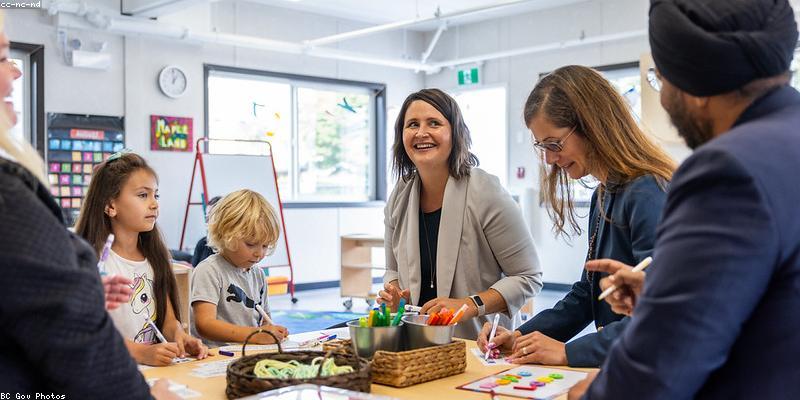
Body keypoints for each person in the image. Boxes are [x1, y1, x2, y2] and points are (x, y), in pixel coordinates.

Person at [569, 0, 800, 398]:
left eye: (661, 80)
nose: (662, 99)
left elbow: (656, 372)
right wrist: (671, 295)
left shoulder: (728, 169)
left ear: (693, 87)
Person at [0, 12, 176, 398]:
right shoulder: (8, 199)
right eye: (1, 58)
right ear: (109, 205)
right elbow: (77, 349)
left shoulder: (156, 256)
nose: (16, 72)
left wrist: (85, 294)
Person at [476, 65, 676, 367]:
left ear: (593, 126)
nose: (549, 159)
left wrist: (569, 353)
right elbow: (588, 294)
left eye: (554, 144)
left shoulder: (646, 193)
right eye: (542, 147)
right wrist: (521, 337)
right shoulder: (603, 195)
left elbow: (663, 313)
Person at [378, 88, 543, 339]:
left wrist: (469, 304)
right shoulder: (399, 195)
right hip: (415, 343)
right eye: (412, 124)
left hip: (476, 345)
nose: (421, 132)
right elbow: (392, 271)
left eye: (434, 123)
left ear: (455, 133)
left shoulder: (486, 191)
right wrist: (394, 293)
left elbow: (527, 277)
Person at [75, 152, 209, 366]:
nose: (154, 204)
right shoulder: (91, 260)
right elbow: (85, 328)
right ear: (110, 205)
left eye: (156, 195)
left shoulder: (156, 256)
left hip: (151, 374)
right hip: (105, 371)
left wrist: (180, 336)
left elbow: (167, 321)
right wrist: (140, 353)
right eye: (142, 195)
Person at [191, 189, 289, 346]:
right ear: (225, 235)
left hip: (247, 354)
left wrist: (271, 332)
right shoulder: (209, 270)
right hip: (215, 357)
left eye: (265, 245)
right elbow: (204, 325)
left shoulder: (258, 275)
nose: (259, 253)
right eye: (251, 244)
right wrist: (255, 335)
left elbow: (264, 320)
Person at [192, 195, 222, 267]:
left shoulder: (230, 248)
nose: (207, 221)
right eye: (206, 216)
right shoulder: (202, 243)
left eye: (211, 216)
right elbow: (193, 270)